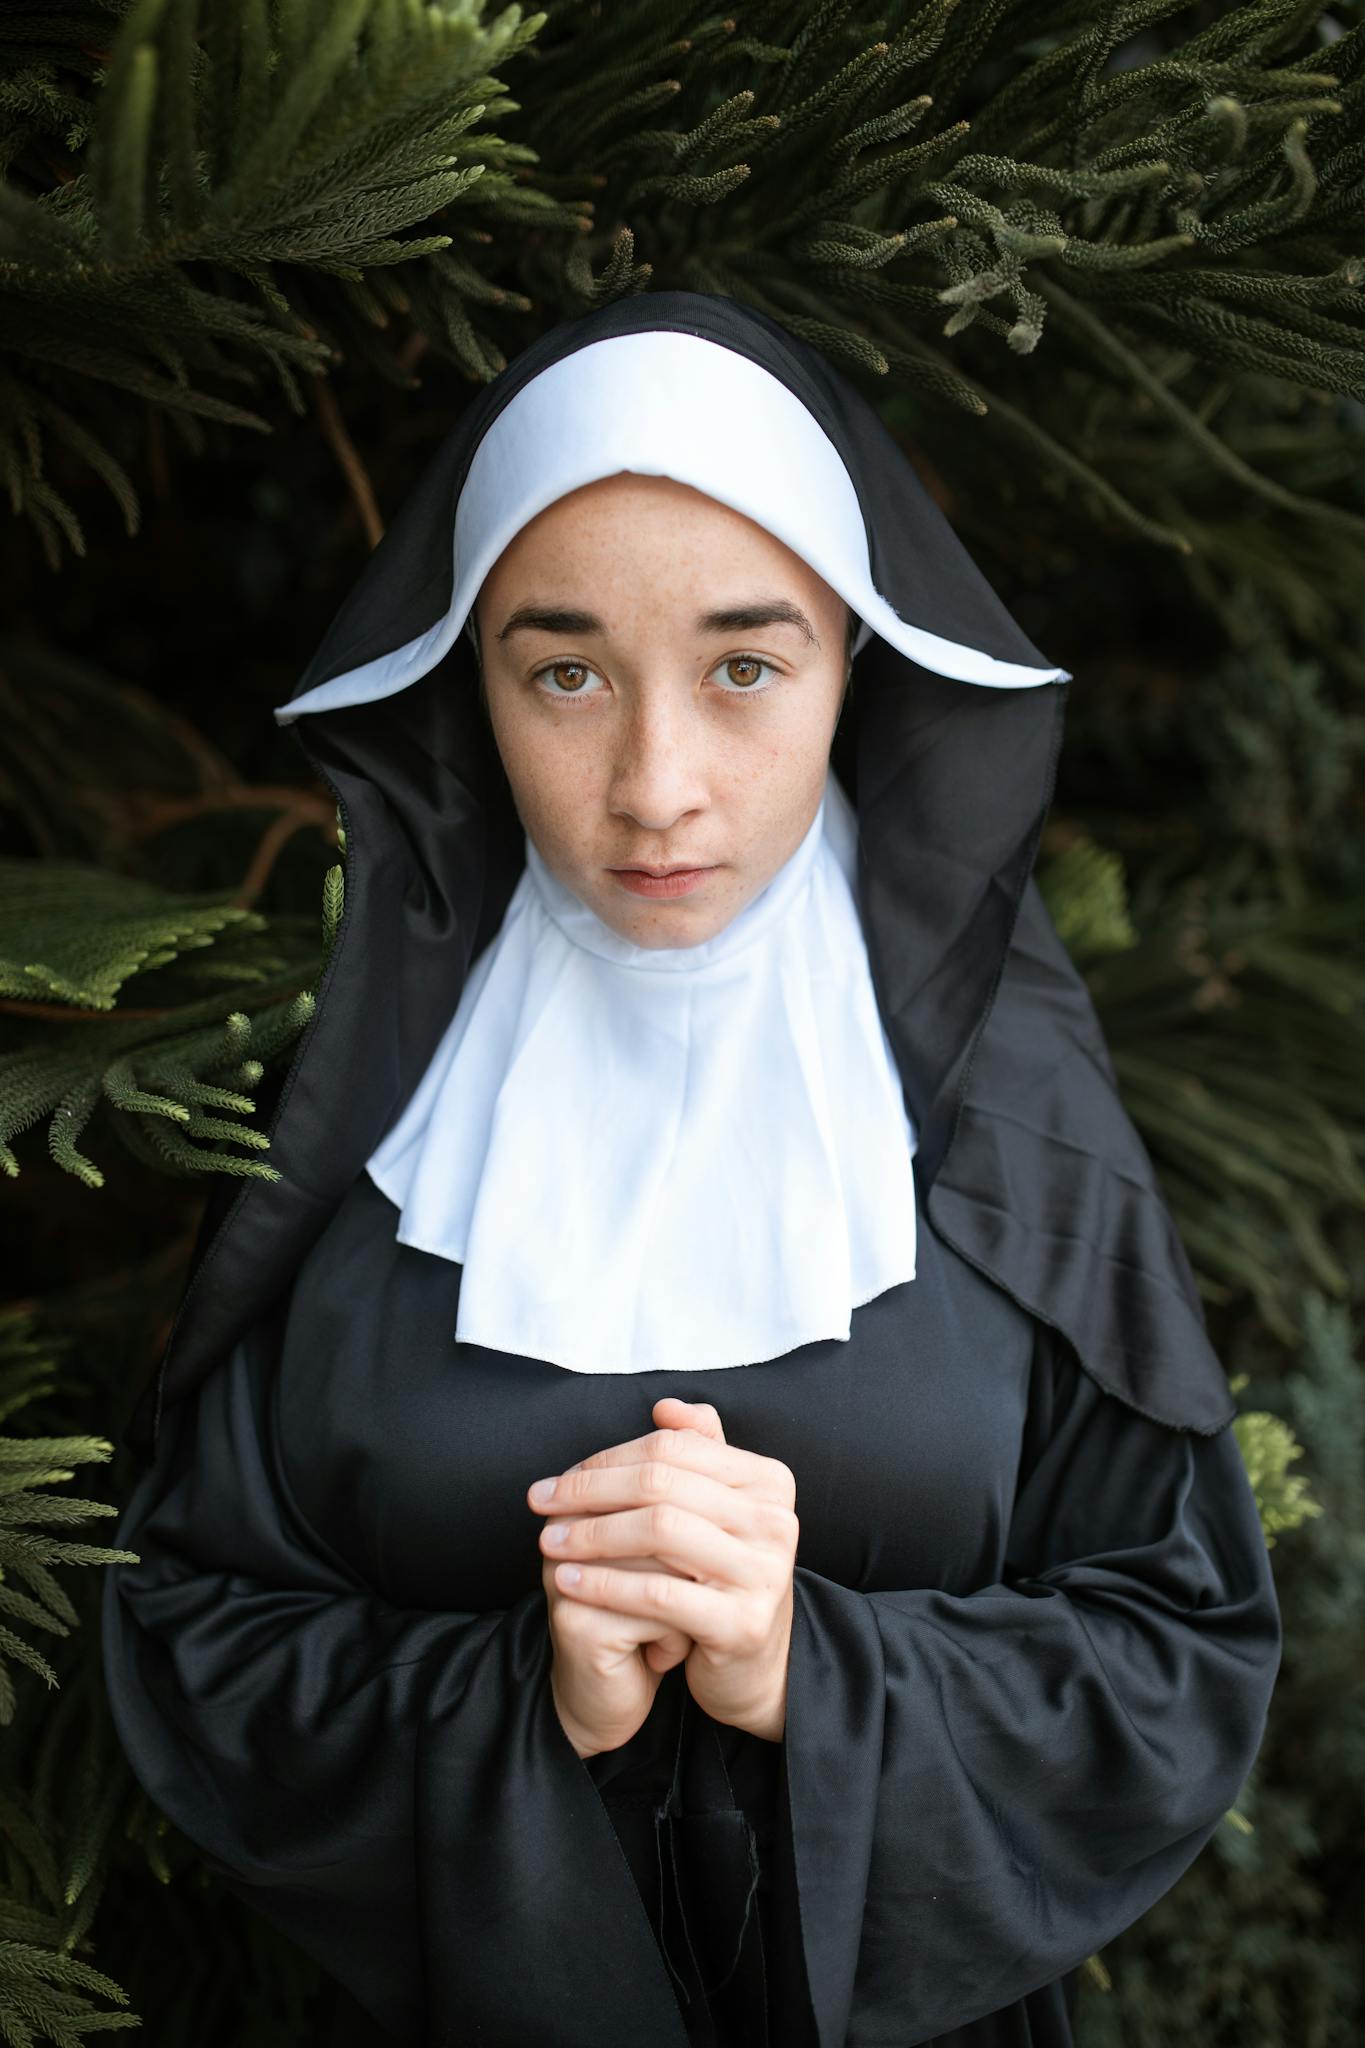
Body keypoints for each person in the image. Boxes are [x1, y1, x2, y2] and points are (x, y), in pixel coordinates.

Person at [101, 290, 1282, 2048]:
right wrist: (526, 1701)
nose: (655, 788)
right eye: (563, 671)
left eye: (745, 665)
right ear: (470, 685)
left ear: (852, 664)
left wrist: (812, 1673)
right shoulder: (364, 1136)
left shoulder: (1005, 1121)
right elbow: (199, 1637)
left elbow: (1173, 1650)